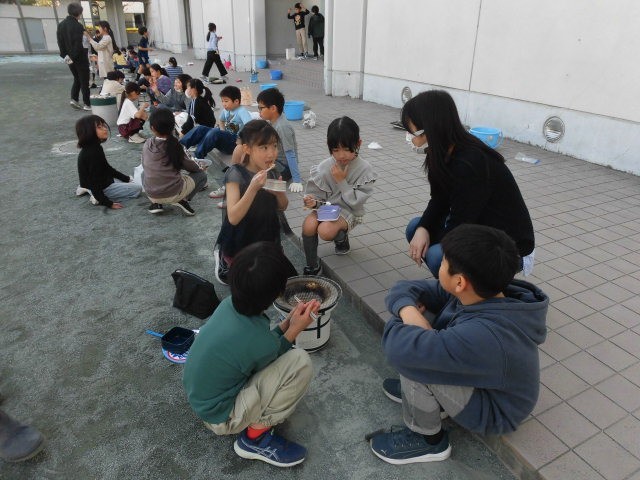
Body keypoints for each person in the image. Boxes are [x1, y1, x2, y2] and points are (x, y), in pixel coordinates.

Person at [369, 224, 548, 464]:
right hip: (484, 381)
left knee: (414, 356)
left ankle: (428, 440)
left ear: (460, 282)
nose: (439, 267)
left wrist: (408, 319)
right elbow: (403, 288)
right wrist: (409, 312)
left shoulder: (484, 334)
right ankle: (431, 399)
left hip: (495, 410)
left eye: (443, 263)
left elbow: (398, 350)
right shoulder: (484, 291)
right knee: (419, 316)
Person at [183, 241, 320, 467]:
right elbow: (272, 352)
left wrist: (288, 323)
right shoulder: (257, 340)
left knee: (280, 358)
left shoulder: (229, 305)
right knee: (299, 362)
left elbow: (264, 347)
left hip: (202, 399)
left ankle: (251, 425)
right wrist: (296, 328)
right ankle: (254, 439)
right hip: (222, 417)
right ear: (277, 293)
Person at [402, 90, 535, 278]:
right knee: (415, 228)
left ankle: (471, 290)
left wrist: (436, 243)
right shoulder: (441, 153)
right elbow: (439, 199)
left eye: (412, 132)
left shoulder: (470, 163)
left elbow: (460, 225)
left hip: (507, 247)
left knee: (437, 255)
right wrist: (423, 228)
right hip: (478, 227)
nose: (409, 138)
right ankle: (460, 282)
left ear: (431, 129)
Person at [213, 120, 288, 285]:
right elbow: (233, 218)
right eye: (264, 147)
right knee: (244, 281)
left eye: (274, 146)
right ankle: (224, 259)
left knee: (269, 280)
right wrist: (253, 188)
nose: (271, 153)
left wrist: (279, 194)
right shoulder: (236, 174)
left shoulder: (273, 171)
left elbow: (283, 206)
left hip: (266, 232)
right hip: (240, 236)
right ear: (247, 149)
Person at [301, 116, 377, 274]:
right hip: (328, 208)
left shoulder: (365, 169)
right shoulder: (324, 167)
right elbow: (317, 197)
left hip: (349, 210)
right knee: (308, 224)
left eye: (347, 149)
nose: (341, 155)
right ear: (329, 147)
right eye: (336, 150)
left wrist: (341, 181)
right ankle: (312, 266)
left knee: (325, 230)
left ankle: (341, 238)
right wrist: (312, 202)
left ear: (358, 144)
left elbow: (356, 203)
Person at [141, 108, 207, 216]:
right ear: (173, 126)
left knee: (144, 173)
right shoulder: (176, 146)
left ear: (152, 128)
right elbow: (192, 167)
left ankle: (156, 203)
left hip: (152, 193)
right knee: (201, 175)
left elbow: (144, 164)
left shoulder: (147, 144)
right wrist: (200, 167)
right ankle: (183, 200)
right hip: (173, 192)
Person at [75, 114, 142, 208]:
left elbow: (106, 168)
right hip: (100, 187)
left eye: (103, 125)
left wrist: (126, 178)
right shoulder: (92, 152)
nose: (105, 129)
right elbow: (94, 181)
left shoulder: (94, 147)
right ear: (88, 131)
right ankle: (96, 197)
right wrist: (107, 203)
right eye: (99, 127)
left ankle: (88, 190)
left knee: (125, 181)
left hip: (101, 182)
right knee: (137, 189)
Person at [179, 85, 252, 162]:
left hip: (234, 143)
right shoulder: (226, 110)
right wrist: (222, 130)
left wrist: (241, 140)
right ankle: (179, 148)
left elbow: (250, 126)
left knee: (215, 132)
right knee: (200, 128)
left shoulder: (242, 111)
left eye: (226, 101)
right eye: (222, 101)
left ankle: (198, 157)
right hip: (225, 137)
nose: (224, 104)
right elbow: (221, 120)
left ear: (236, 101)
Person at [257, 88, 304, 192]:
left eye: (261, 108)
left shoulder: (282, 127)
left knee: (257, 175)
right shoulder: (273, 121)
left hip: (284, 168)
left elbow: (290, 153)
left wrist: (297, 180)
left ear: (273, 108)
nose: (259, 111)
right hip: (275, 162)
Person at [56, 2, 91, 111]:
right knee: (84, 80)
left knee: (77, 78)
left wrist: (65, 55)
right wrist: (76, 55)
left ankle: (74, 99)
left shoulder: (61, 25)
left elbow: (60, 42)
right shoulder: (78, 26)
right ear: (79, 13)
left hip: (68, 57)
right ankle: (87, 104)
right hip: (79, 57)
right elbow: (79, 44)